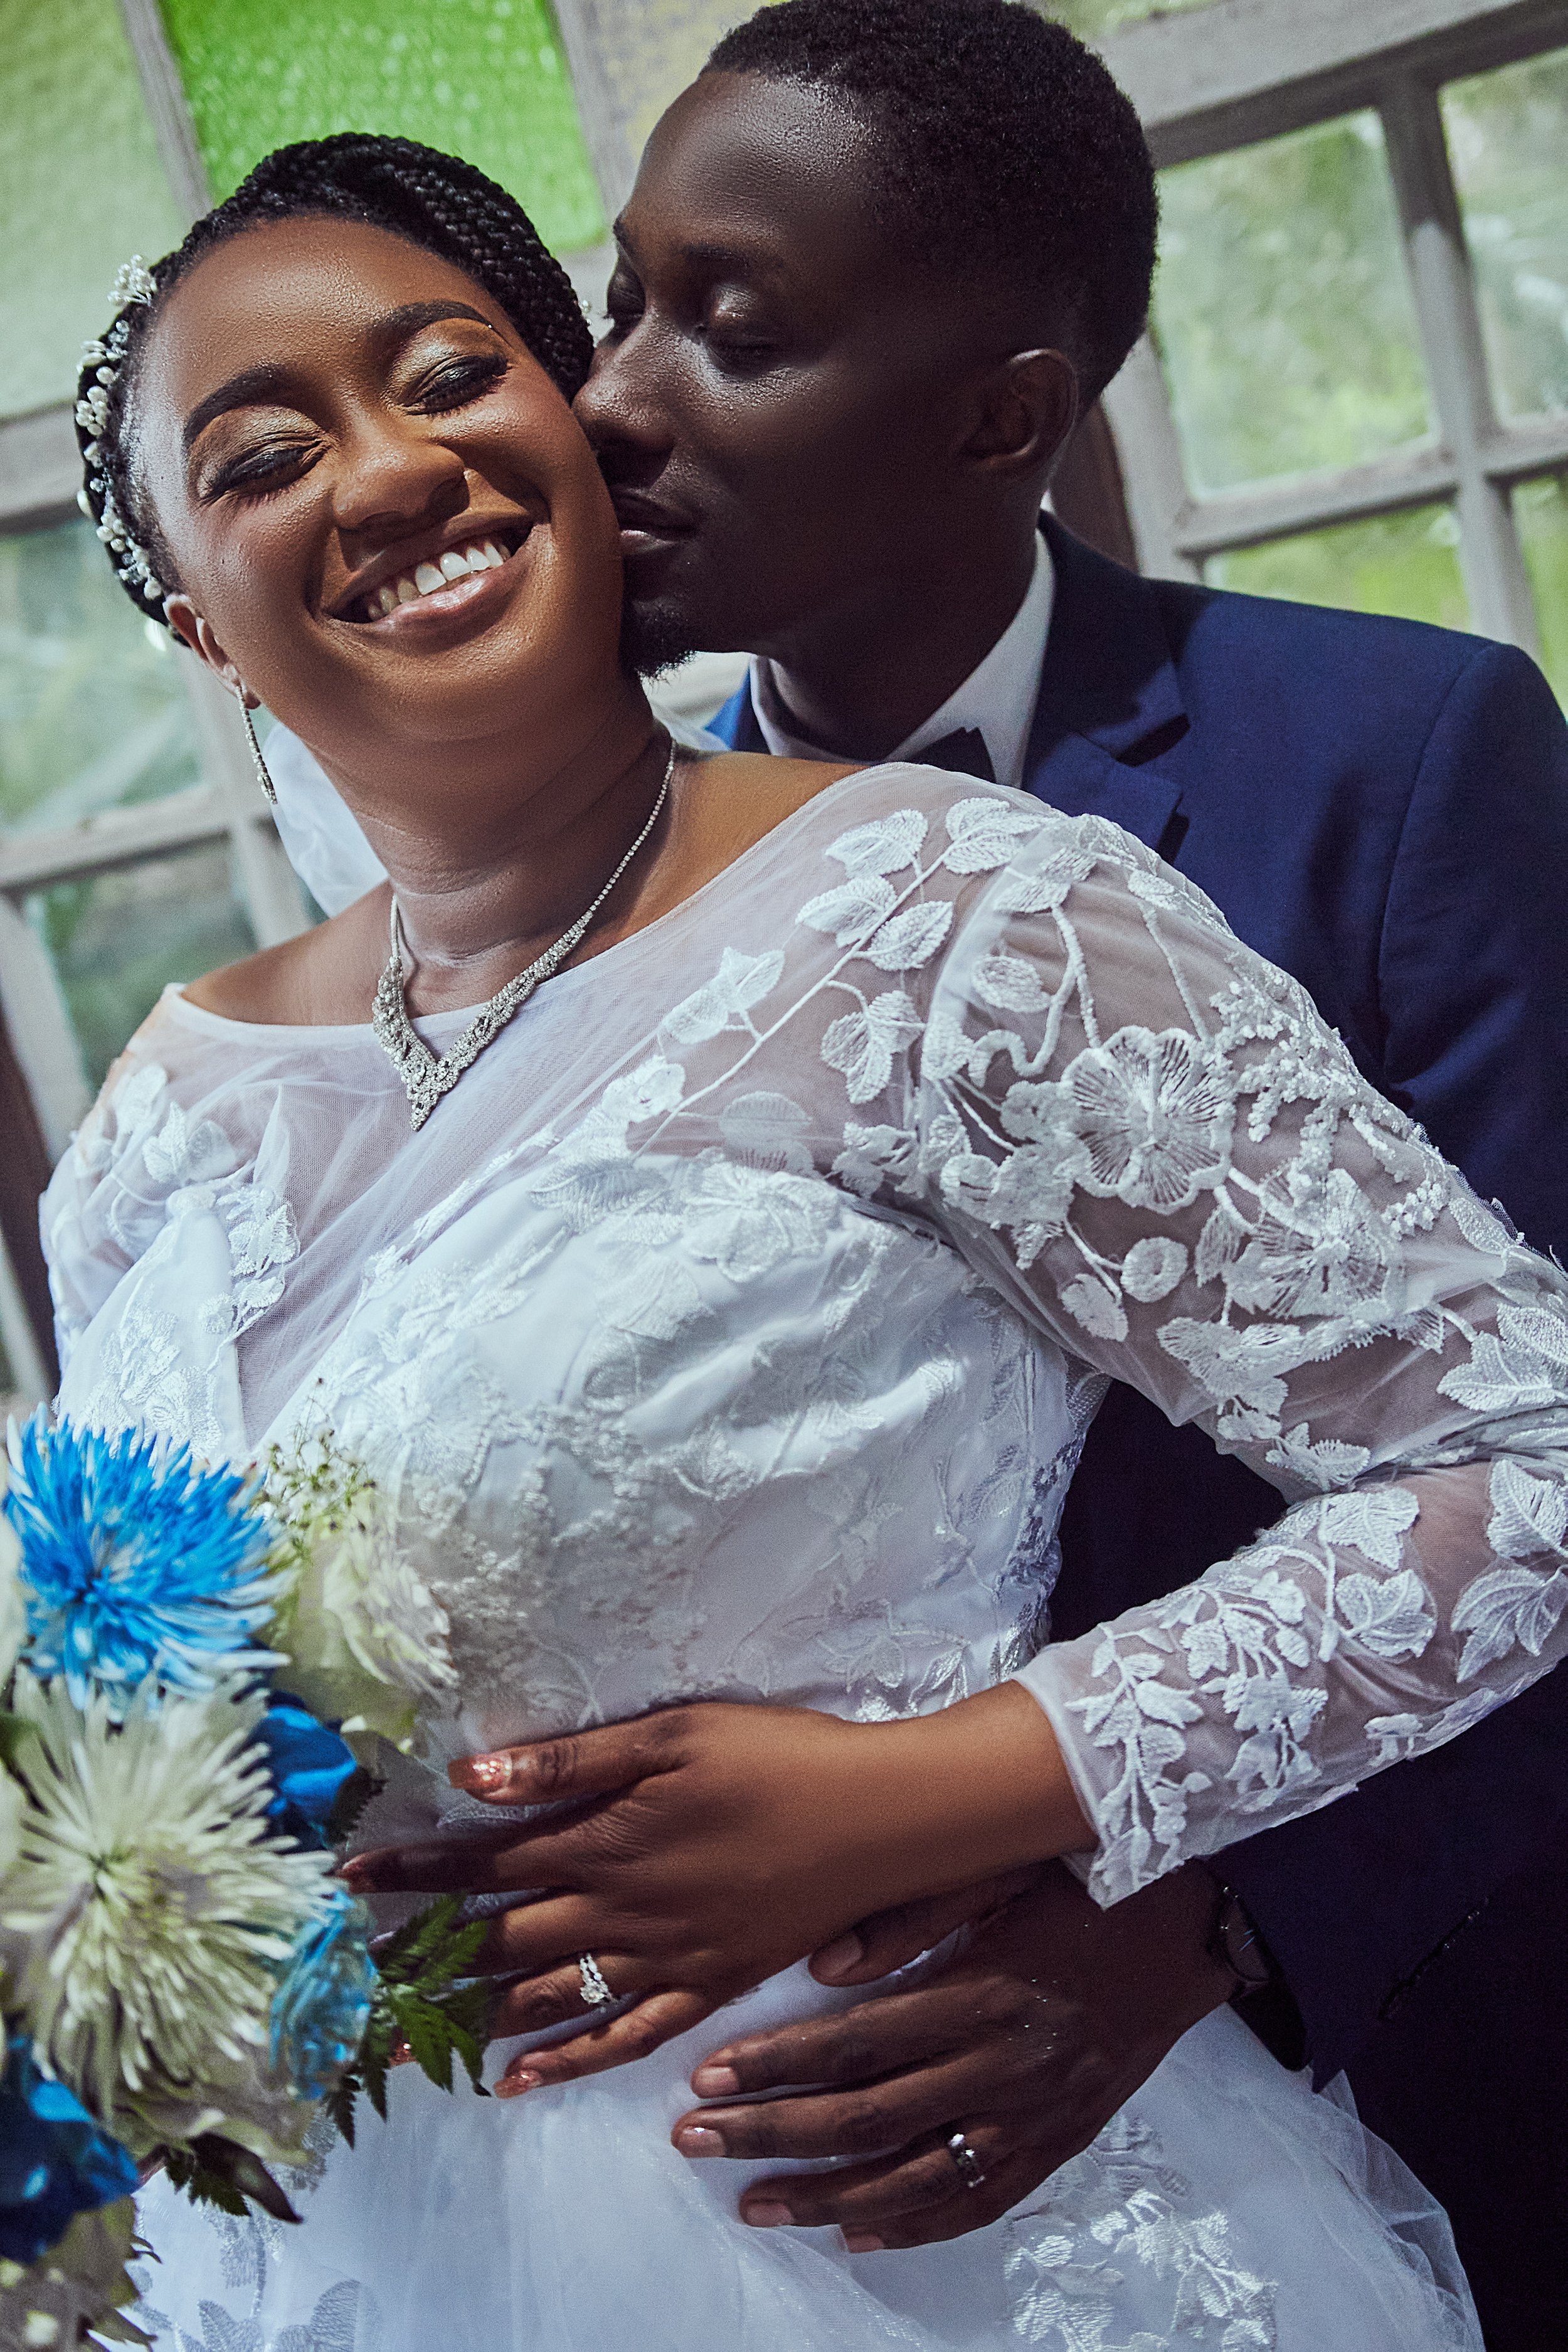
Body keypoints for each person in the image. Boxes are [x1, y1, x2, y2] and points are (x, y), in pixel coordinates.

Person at [55, 127, 1568, 2352]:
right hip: (355, 2251)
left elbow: (1524, 1458)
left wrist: (955, 1784)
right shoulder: (160, 1115)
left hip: (910, 2217)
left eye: (449, 372)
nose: (384, 471)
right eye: (266, 451)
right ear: (194, 602)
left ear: (567, 426)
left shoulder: (959, 912)